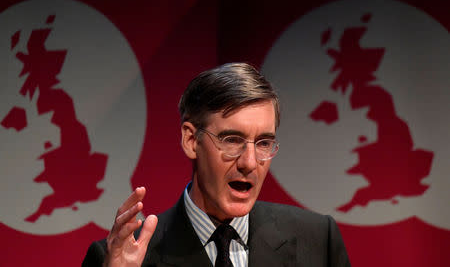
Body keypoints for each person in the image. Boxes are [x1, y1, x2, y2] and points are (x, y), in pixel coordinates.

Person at [82, 62, 351, 266]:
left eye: (263, 143)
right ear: (191, 140)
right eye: (232, 140)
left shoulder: (317, 241)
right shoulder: (127, 257)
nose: (249, 162)